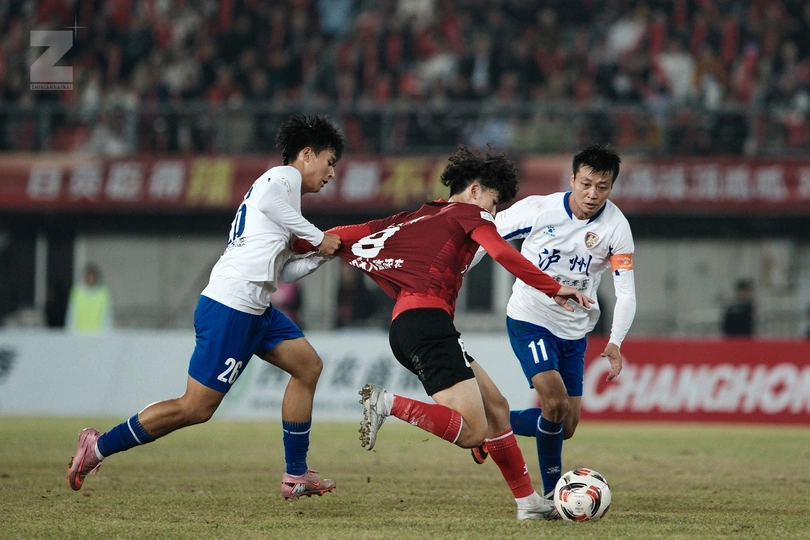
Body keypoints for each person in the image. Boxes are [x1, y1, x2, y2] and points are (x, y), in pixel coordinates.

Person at [293, 145, 593, 520]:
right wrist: (554, 286)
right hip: (426, 324)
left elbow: (345, 235)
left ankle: (528, 504)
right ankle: (387, 403)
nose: (492, 214)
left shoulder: (417, 216)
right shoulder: (471, 214)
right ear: (475, 190)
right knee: (473, 432)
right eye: (493, 202)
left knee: (497, 409)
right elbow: (502, 253)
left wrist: (295, 241)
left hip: (418, 325)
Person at [67, 115, 345, 500]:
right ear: (308, 154)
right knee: (195, 408)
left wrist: (321, 255)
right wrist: (317, 236)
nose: (332, 173)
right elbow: (270, 203)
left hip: (256, 309)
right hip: (231, 305)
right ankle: (97, 447)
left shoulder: (286, 201)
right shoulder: (282, 179)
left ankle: (295, 474)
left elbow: (283, 271)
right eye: (330, 162)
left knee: (308, 366)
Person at [467, 144, 636, 513]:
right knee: (555, 403)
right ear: (572, 179)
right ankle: (552, 495)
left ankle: (490, 428)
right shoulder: (537, 210)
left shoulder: (617, 228)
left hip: (574, 332)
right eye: (586, 184)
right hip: (530, 317)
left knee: (566, 424)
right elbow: (483, 238)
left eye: (602, 187)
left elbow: (626, 292)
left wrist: (616, 341)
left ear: (611, 187)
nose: (592, 194)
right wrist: (453, 281)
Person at [65, 263, 114, 333]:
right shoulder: (77, 292)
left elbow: (107, 316)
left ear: (96, 278)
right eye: (89, 277)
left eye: (93, 277)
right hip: (79, 334)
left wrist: (107, 333)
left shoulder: (104, 293)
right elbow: (71, 314)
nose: (91, 280)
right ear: (85, 277)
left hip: (99, 334)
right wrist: (70, 332)